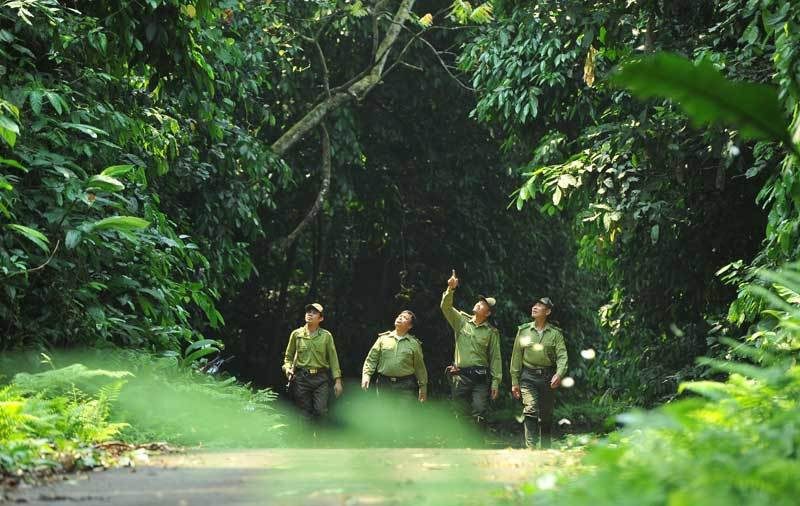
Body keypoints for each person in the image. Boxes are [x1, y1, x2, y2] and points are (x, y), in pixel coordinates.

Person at [440, 270, 502, 423]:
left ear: (487, 314)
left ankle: (477, 437)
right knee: (460, 412)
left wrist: (496, 382)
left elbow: (495, 357)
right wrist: (451, 288)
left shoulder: (491, 332)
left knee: (479, 411)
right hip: (460, 376)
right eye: (479, 302)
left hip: (480, 378)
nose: (478, 304)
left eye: (483, 305)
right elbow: (446, 307)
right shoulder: (461, 321)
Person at [510, 297, 568, 449]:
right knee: (530, 409)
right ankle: (531, 447)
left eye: (540, 306)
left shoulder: (555, 333)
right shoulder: (523, 331)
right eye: (534, 305)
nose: (534, 307)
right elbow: (516, 356)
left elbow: (562, 356)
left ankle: (546, 448)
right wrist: (514, 381)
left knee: (546, 415)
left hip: (548, 376)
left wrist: (559, 374)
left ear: (547, 312)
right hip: (528, 376)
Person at [282, 303, 343, 420]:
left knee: (320, 411)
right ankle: (306, 432)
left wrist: (338, 381)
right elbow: (288, 357)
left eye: (314, 313)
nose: (310, 314)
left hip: (320, 379)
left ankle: (320, 431)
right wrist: (287, 369)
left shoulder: (326, 336)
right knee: (304, 414)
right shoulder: (297, 334)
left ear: (321, 318)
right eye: (308, 312)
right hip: (302, 378)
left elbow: (333, 359)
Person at [361, 310, 428, 402]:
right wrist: (366, 375)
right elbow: (372, 359)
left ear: (410, 326)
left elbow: (419, 367)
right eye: (399, 316)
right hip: (384, 384)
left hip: (405, 385)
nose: (400, 318)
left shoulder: (414, 343)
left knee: (404, 411)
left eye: (405, 318)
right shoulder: (383, 339)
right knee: (384, 411)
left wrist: (423, 388)